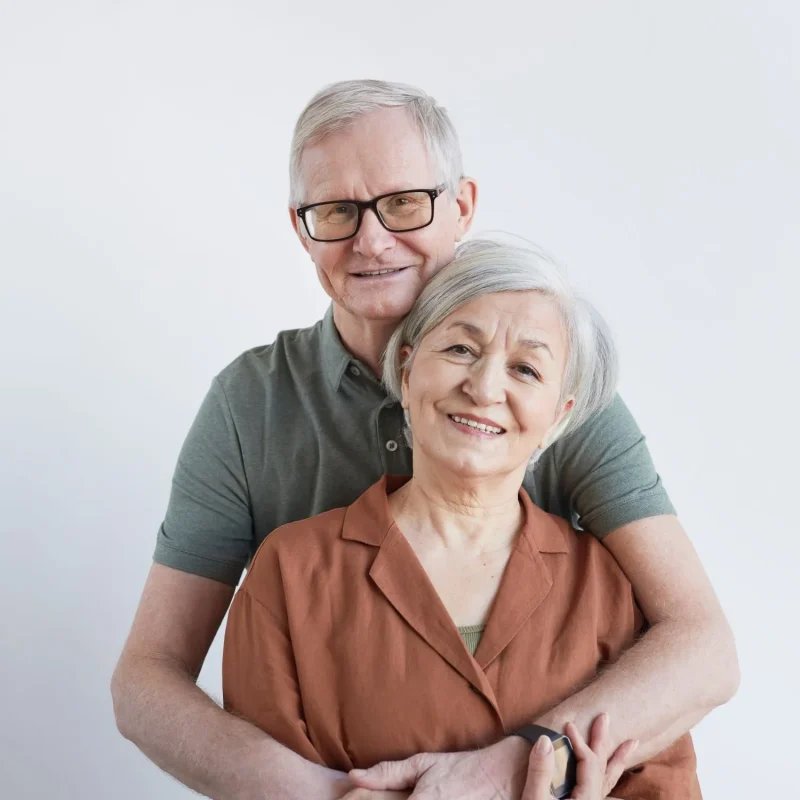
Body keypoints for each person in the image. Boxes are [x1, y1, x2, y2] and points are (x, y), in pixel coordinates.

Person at [111, 80, 738, 800]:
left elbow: (702, 646)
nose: (372, 241)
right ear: (300, 227)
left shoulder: (559, 390)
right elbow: (146, 681)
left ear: (461, 206)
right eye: (337, 211)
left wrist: (515, 768)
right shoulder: (249, 406)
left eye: (404, 203)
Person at [221, 238, 702, 800]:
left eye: (525, 369)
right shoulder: (291, 571)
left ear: (558, 418)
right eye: (460, 350)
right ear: (406, 371)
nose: (484, 387)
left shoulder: (608, 590)